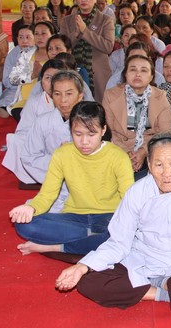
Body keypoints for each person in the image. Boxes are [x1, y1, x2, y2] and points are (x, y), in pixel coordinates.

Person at [54, 132, 171, 315]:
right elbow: (119, 242)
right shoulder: (137, 192)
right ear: (149, 164)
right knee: (89, 282)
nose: (166, 173)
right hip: (144, 259)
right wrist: (82, 267)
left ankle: (163, 284)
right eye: (159, 165)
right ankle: (162, 293)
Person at [9, 101, 134, 258]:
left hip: (109, 217)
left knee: (125, 231)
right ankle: (93, 238)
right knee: (24, 225)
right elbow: (47, 195)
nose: (84, 142)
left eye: (91, 134)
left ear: (103, 130)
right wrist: (31, 208)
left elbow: (129, 201)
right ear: (71, 131)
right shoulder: (62, 154)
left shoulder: (118, 157)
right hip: (74, 218)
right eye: (78, 134)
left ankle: (56, 247)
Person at [102, 55, 171, 177]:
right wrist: (127, 154)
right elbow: (108, 131)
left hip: (150, 151)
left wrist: (143, 152)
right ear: (125, 74)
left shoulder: (160, 97)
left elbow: (165, 132)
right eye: (133, 69)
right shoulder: (110, 95)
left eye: (144, 70)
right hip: (117, 149)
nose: (138, 74)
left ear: (151, 76)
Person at [20, 70, 85, 192]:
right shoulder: (42, 121)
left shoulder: (92, 122)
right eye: (57, 94)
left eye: (69, 94)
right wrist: (58, 158)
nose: (63, 100)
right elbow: (30, 157)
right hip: (55, 186)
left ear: (80, 95)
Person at [59, 0, 115, 103]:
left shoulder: (106, 20)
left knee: (99, 108)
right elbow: (62, 47)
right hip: (73, 71)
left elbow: (108, 47)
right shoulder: (67, 21)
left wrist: (85, 31)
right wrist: (76, 34)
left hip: (98, 74)